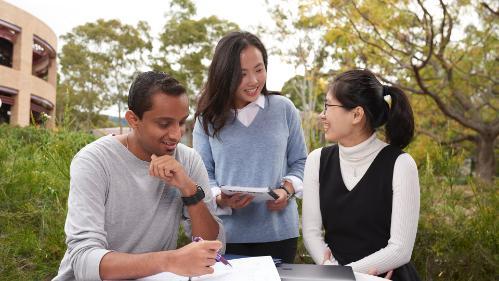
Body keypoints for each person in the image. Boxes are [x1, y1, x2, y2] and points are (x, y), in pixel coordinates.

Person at [53, 71, 225, 281]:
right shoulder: (93, 161)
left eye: (181, 122)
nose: (176, 135)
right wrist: (169, 261)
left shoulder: (188, 160)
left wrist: (189, 190)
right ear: (133, 120)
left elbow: (215, 247)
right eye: (164, 124)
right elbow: (84, 262)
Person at [193, 31, 307, 263]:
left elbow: (301, 162)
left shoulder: (284, 109)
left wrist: (286, 190)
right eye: (242, 74)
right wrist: (221, 198)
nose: (254, 81)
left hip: (279, 234)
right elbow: (202, 175)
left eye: (259, 69)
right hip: (227, 235)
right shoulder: (207, 118)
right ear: (225, 75)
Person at [302, 69, 421, 280]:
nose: (322, 115)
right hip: (332, 275)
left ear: (357, 114)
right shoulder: (316, 160)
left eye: (328, 106)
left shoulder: (401, 165)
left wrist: (347, 274)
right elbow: (311, 231)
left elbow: (401, 249)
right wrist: (332, 270)